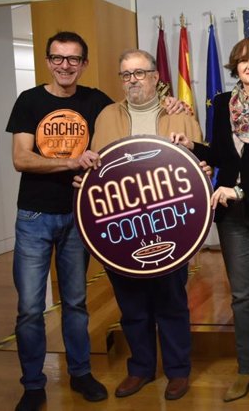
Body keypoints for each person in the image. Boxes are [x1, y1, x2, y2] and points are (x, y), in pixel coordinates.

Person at [175, 37, 249, 404]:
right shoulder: (222, 104)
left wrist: (238, 190)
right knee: (241, 295)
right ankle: (247, 368)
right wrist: (191, 146)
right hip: (231, 215)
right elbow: (221, 155)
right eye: (242, 60)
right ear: (235, 66)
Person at [76, 49, 203, 402]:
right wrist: (84, 180)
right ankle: (141, 369)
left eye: (140, 73)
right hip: (123, 231)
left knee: (172, 302)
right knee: (131, 305)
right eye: (126, 74)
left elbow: (201, 165)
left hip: (170, 228)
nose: (133, 80)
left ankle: (178, 371)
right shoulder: (106, 115)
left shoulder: (179, 113)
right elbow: (96, 171)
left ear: (155, 77)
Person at [5, 31, 112, 411]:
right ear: (48, 61)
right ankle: (33, 384)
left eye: (73, 59)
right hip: (34, 217)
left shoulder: (97, 100)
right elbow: (22, 158)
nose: (65, 65)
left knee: (77, 302)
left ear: (83, 63)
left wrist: (175, 109)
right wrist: (70, 161)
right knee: (31, 308)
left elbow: (129, 124)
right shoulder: (29, 101)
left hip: (78, 216)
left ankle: (80, 372)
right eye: (57, 58)